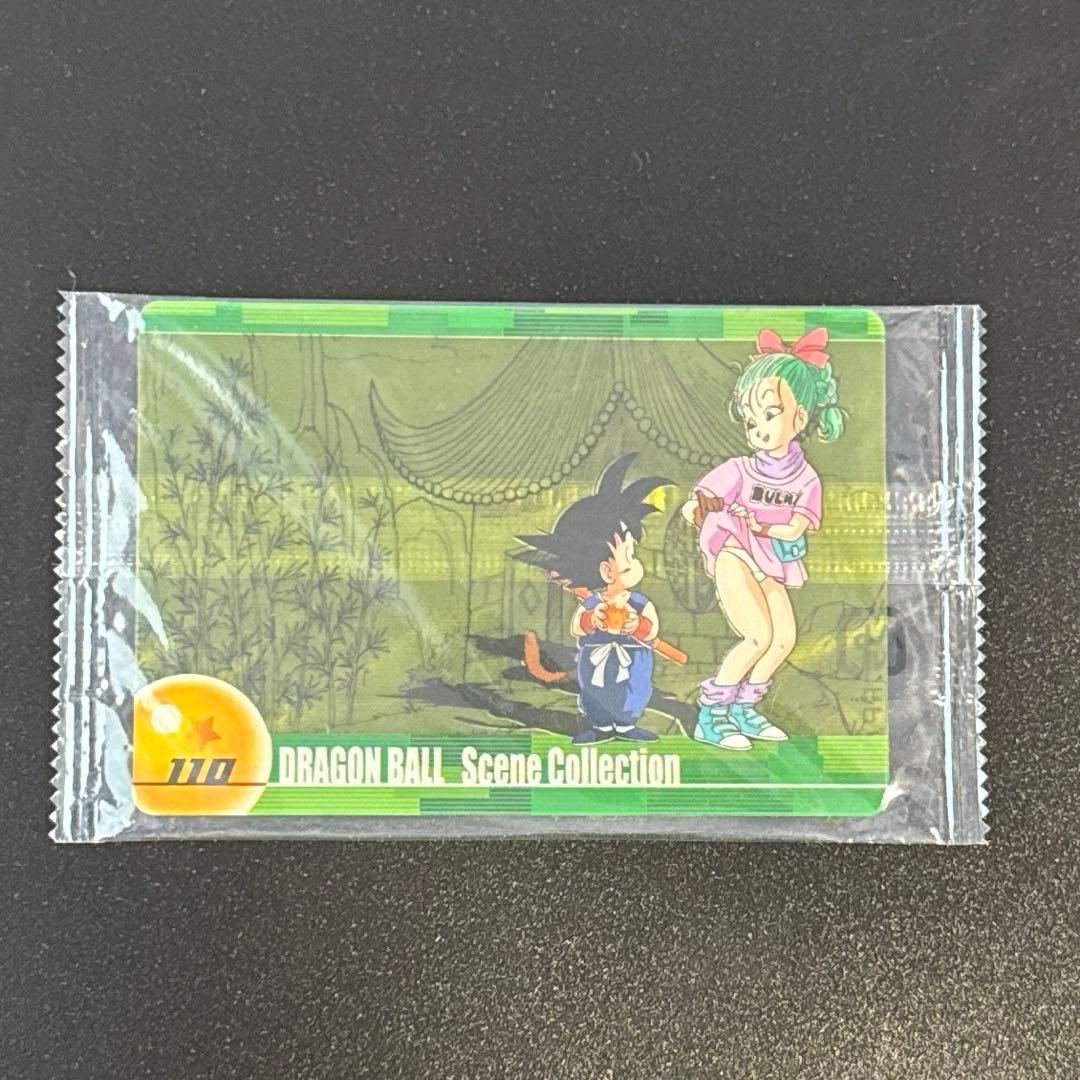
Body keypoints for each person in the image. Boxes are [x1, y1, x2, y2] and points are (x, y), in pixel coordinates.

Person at [683, 327, 845, 750]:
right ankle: (711, 717)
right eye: (751, 420)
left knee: (783, 640)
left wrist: (759, 525)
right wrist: (698, 509)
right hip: (734, 553)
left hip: (771, 561)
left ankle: (744, 708)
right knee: (756, 636)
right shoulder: (739, 469)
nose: (757, 428)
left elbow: (794, 528)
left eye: (769, 415)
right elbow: (697, 501)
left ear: (799, 419)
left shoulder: (807, 480)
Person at [514, 454, 671, 744]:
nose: (635, 563)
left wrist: (637, 626)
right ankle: (600, 726)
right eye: (628, 555)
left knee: (634, 691)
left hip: (634, 659)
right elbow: (578, 627)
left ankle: (627, 726)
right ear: (605, 570)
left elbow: (652, 629)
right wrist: (591, 620)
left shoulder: (638, 603)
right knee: (595, 692)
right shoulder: (593, 604)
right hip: (595, 660)